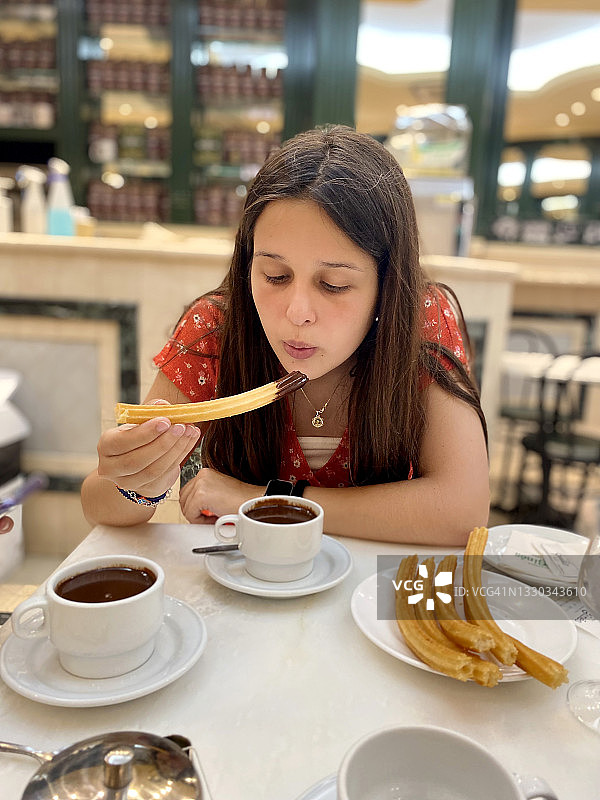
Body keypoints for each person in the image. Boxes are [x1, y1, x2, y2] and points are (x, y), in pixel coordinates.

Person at [81, 125, 489, 545]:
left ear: (388, 284)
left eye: (333, 284)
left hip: (374, 599)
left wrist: (265, 500)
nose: (297, 314)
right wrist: (137, 482)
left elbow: (462, 510)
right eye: (275, 276)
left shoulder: (421, 321)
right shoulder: (218, 329)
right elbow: (99, 505)